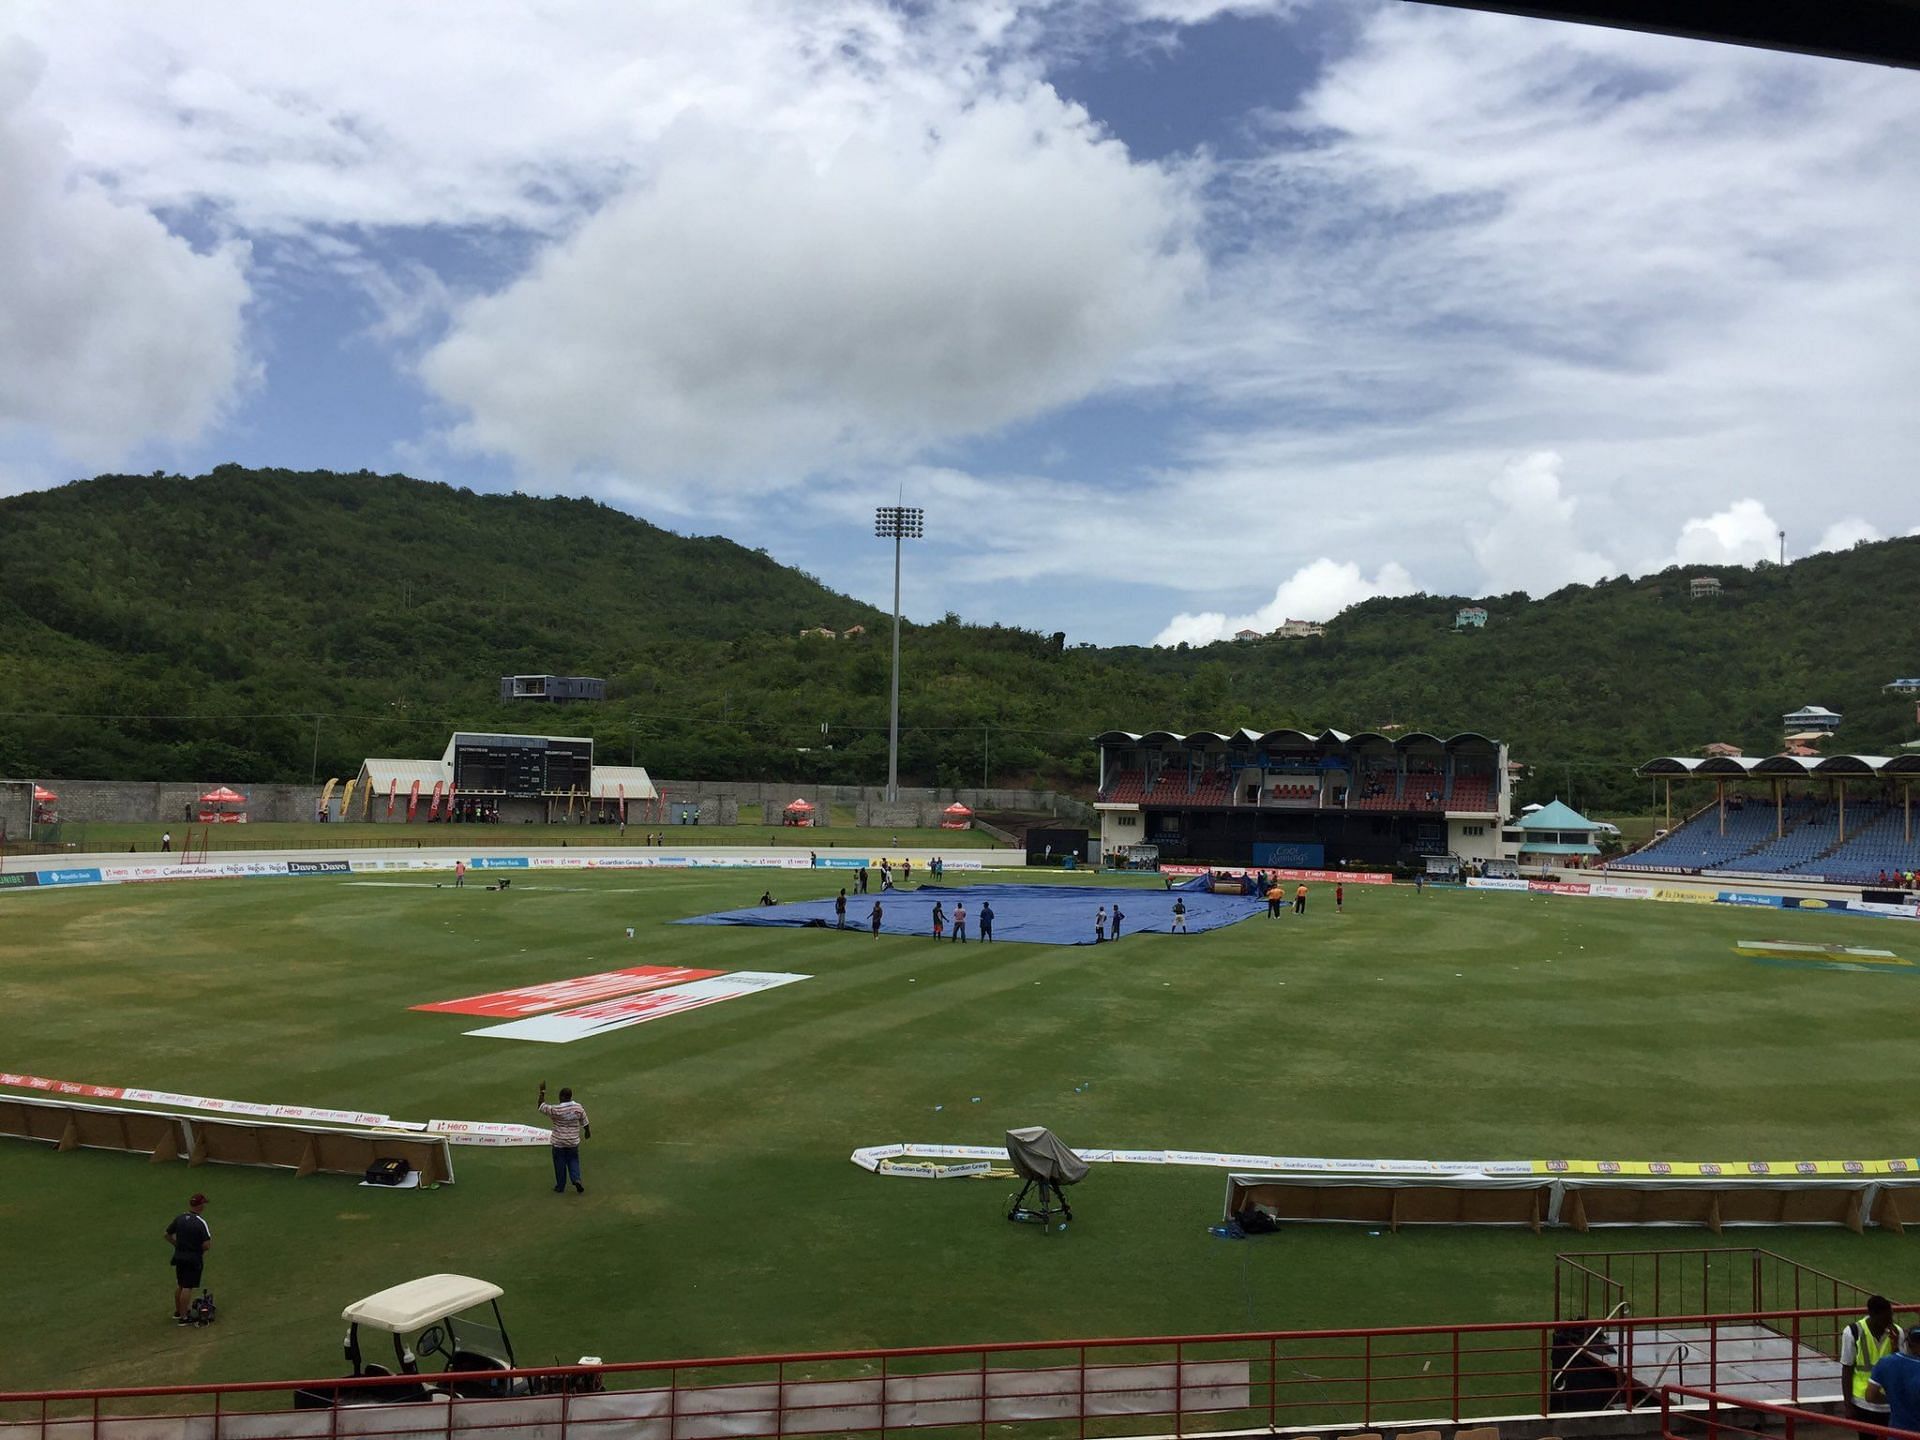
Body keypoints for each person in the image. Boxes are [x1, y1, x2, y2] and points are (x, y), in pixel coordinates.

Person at [1845, 1295, 1903, 1424]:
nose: (1890, 1321)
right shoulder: (1853, 1332)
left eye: (1891, 1317)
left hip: (1889, 1401)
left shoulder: (1897, 1332)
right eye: (1886, 1318)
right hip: (1861, 1402)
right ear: (1872, 1314)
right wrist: (1848, 1405)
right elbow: (1847, 1369)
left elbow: (1900, 1365)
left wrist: (1895, 1344)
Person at [165, 1193, 212, 1325]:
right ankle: (184, 1317)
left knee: (180, 1284)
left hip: (179, 1256)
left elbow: (167, 1234)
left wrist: (178, 1245)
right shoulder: (200, 1222)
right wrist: (198, 1251)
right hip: (193, 1258)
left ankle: (179, 1311)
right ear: (200, 1205)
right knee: (187, 1286)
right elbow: (207, 1245)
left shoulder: (180, 1218)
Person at [1866, 1322, 1920, 1434]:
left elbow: (1870, 1396)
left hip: (1896, 1433)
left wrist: (1893, 1400)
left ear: (1908, 1343)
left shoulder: (1885, 1363)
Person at [537, 1081, 589, 1194]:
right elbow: (585, 1120)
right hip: (573, 1141)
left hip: (559, 1142)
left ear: (562, 1097)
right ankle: (576, 1179)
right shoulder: (578, 1108)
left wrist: (542, 1092)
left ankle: (560, 1186)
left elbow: (541, 1106)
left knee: (559, 1163)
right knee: (573, 1160)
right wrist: (587, 1131)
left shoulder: (557, 1110)